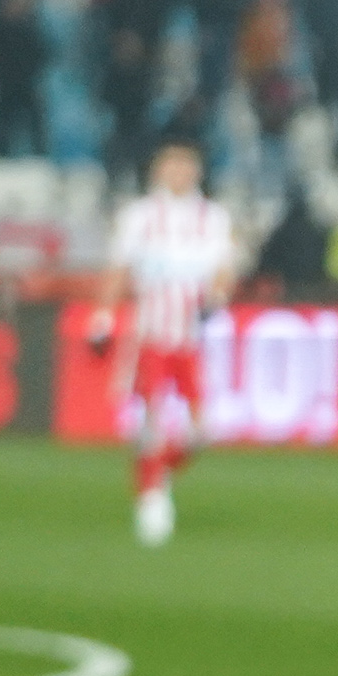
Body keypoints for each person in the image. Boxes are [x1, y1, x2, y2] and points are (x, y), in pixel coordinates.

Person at [89, 139, 238, 547]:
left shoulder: (212, 218)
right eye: (172, 166)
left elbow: (224, 269)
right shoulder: (139, 216)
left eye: (185, 166)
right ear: (158, 171)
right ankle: (151, 499)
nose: (179, 173)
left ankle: (161, 472)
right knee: (152, 421)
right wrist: (102, 317)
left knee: (203, 429)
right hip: (149, 334)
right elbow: (118, 270)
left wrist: (215, 299)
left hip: (191, 338)